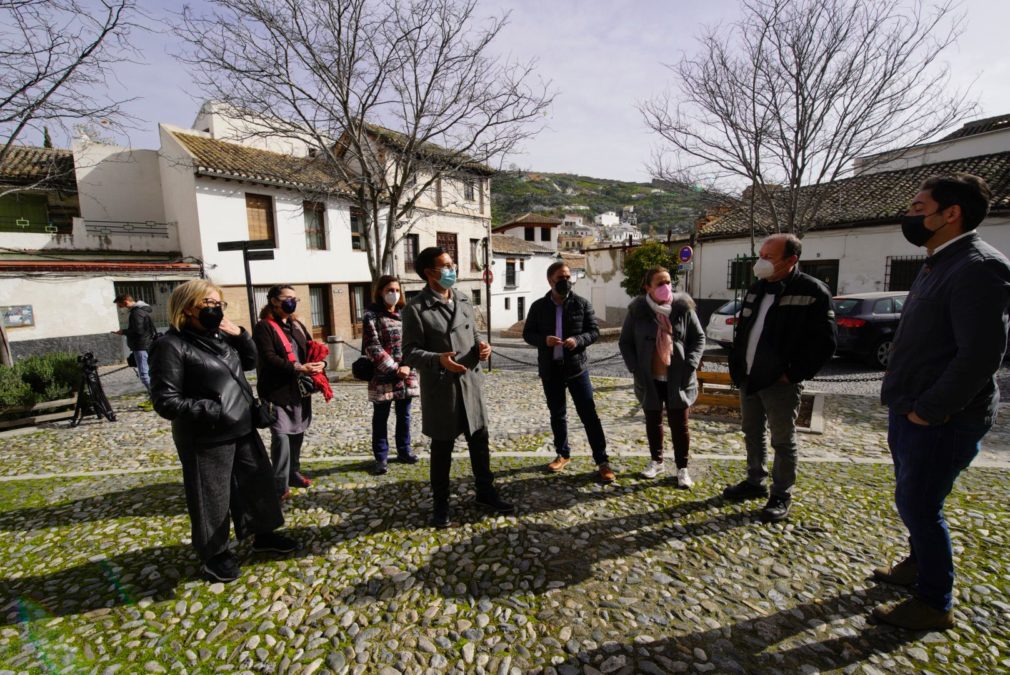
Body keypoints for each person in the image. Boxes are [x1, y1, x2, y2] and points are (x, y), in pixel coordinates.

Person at [870, 174, 1010, 631]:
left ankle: (934, 601)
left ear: (951, 214)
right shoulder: (938, 262)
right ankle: (918, 564)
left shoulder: (977, 267)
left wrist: (928, 409)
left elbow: (981, 355)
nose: (910, 214)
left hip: (941, 419)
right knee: (913, 500)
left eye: (918, 205)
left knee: (921, 504)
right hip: (913, 409)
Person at [150, 279, 296, 583]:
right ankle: (214, 555)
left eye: (219, 304)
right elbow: (166, 401)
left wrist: (240, 334)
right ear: (187, 308)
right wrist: (214, 410)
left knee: (258, 484)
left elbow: (250, 362)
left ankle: (263, 535)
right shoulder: (171, 345)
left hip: (242, 426)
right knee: (211, 497)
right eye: (208, 304)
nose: (215, 310)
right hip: (206, 435)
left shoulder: (221, 337)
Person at [723, 233, 836, 522]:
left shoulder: (813, 292)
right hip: (749, 377)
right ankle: (754, 481)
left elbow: (824, 344)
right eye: (760, 255)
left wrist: (792, 374)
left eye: (769, 257)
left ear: (791, 260)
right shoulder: (756, 288)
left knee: (782, 440)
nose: (761, 262)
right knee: (752, 432)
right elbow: (744, 331)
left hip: (780, 382)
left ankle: (781, 493)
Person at [402, 246, 514, 528]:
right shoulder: (415, 309)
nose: (453, 270)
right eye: (446, 266)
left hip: (470, 384)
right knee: (442, 451)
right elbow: (409, 353)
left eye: (452, 264)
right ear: (429, 273)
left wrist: (483, 348)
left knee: (480, 443)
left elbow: (474, 336)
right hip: (442, 389)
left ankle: (485, 492)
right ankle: (441, 505)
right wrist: (439, 360)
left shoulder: (463, 299)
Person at [523, 262, 615, 482]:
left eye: (567, 276)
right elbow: (528, 334)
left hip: (577, 369)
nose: (565, 280)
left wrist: (578, 340)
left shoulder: (582, 304)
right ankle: (562, 454)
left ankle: (602, 461)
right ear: (550, 281)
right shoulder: (538, 306)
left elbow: (594, 332)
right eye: (560, 277)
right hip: (550, 370)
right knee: (558, 415)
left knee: (589, 416)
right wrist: (543, 340)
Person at [619, 266, 705, 487]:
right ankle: (656, 461)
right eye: (660, 283)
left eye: (668, 282)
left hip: (679, 377)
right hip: (649, 378)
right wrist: (635, 368)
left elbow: (699, 338)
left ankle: (682, 468)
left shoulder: (683, 307)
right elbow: (625, 342)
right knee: (653, 421)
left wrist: (691, 364)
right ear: (648, 287)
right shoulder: (637, 310)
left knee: (680, 424)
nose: (666, 287)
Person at [252, 285, 325, 500]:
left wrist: (320, 363)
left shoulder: (297, 325)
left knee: (298, 433)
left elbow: (311, 349)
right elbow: (268, 358)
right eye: (287, 298)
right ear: (274, 300)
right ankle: (279, 483)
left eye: (295, 299)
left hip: (299, 389)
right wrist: (299, 367)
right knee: (281, 437)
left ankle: (293, 472)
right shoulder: (264, 327)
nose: (291, 302)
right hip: (276, 392)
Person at [362, 274, 420, 475]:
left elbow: (415, 342)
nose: (394, 294)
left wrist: (407, 366)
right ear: (380, 292)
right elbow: (372, 346)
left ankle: (404, 450)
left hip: (406, 374)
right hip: (383, 375)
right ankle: (381, 457)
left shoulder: (406, 314)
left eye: (396, 290)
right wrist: (395, 368)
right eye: (389, 290)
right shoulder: (372, 315)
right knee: (381, 418)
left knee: (404, 416)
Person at [112, 294, 158, 396]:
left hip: (141, 346)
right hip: (147, 344)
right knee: (150, 372)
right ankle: (156, 395)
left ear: (125, 302)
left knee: (144, 374)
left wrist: (123, 331)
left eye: (120, 306)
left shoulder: (136, 313)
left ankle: (155, 396)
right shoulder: (143, 310)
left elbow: (138, 331)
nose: (120, 309)